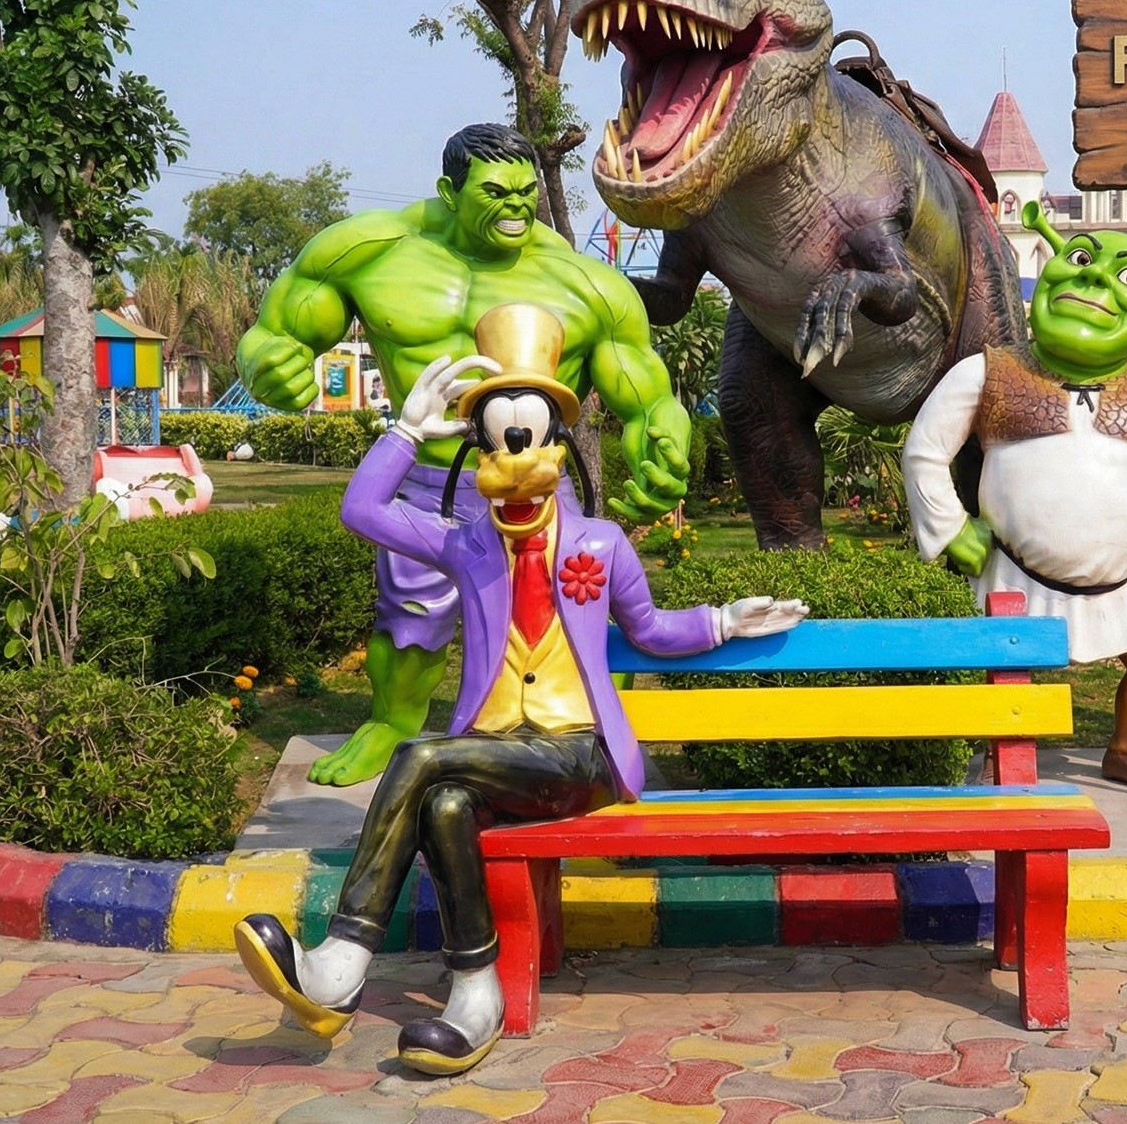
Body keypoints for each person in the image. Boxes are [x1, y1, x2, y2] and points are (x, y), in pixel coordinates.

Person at [236, 305, 805, 1075]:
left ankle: (341, 959)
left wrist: (723, 619)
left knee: (422, 756)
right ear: (480, 448)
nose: (514, 450)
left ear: (556, 447)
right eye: (498, 435)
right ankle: (476, 995)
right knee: (442, 800)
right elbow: (361, 510)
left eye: (527, 433)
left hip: (581, 755)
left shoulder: (601, 544)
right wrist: (406, 430)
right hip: (496, 753)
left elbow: (651, 630)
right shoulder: (467, 545)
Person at [237, 124, 693, 787]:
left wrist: (662, 441)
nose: (515, 208)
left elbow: (648, 393)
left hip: (535, 486)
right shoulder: (372, 252)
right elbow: (275, 332)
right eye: (494, 193)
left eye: (524, 193)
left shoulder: (582, 284)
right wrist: (269, 364)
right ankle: (393, 723)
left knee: (561, 607)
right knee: (409, 618)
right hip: (426, 473)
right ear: (449, 191)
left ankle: (576, 728)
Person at [903, 203, 1127, 795]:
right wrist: (950, 527)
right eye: (1079, 261)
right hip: (1015, 571)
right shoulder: (987, 372)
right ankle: (1003, 752)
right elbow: (925, 450)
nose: (1095, 281)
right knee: (1002, 670)